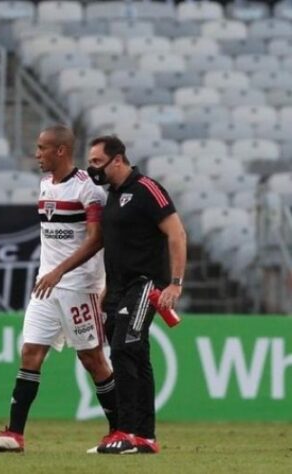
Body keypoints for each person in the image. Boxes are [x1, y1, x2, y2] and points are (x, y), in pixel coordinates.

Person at [0, 125, 117, 453]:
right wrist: (49, 274)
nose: (36, 154)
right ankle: (14, 435)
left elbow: (96, 239)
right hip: (47, 287)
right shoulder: (44, 185)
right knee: (30, 352)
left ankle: (119, 430)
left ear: (61, 151)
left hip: (80, 286)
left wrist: (59, 272)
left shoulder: (88, 191)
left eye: (42, 148)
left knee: (92, 358)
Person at [85, 135, 187, 455]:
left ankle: (127, 432)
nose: (92, 169)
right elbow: (121, 247)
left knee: (124, 349)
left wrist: (175, 283)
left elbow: (177, 233)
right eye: (90, 163)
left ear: (118, 160)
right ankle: (145, 436)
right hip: (117, 289)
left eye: (97, 162)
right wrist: (106, 288)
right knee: (135, 355)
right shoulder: (113, 195)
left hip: (145, 285)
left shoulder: (147, 189)